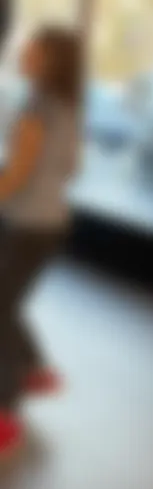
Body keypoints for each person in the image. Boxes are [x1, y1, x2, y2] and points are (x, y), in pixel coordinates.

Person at [0, 28, 82, 459]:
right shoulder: (67, 105)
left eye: (31, 50)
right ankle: (35, 371)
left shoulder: (36, 106)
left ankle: (6, 413)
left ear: (48, 60)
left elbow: (17, 173)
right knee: (7, 302)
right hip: (51, 219)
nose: (23, 54)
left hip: (29, 220)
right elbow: (69, 167)